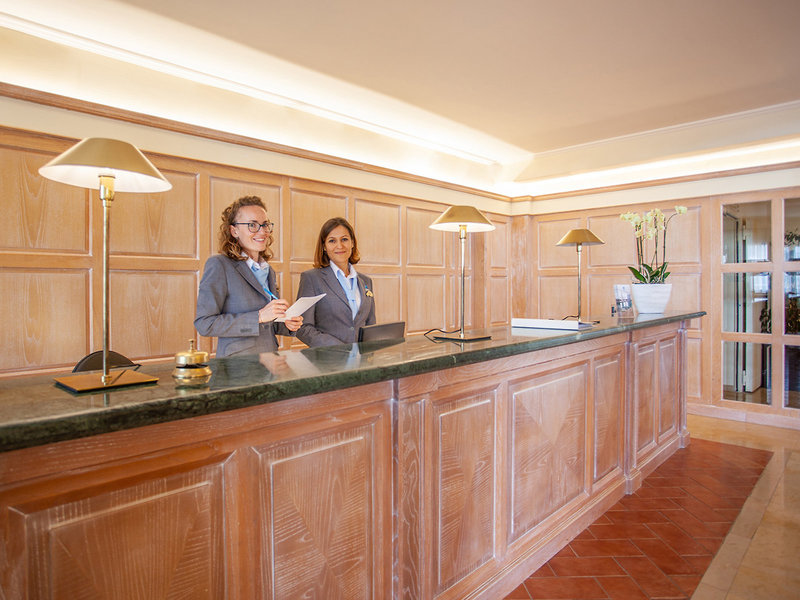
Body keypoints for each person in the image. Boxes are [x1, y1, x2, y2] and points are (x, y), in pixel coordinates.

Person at [195, 195, 302, 357]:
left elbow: (267, 324)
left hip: (271, 362)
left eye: (265, 225)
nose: (262, 231)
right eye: (252, 225)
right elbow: (205, 324)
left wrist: (286, 323)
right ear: (234, 231)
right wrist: (259, 316)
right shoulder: (219, 265)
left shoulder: (268, 270)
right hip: (237, 365)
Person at [296, 217, 376, 347]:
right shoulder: (311, 278)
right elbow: (303, 328)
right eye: (332, 241)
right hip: (329, 357)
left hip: (361, 358)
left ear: (352, 243)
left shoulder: (366, 281)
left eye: (344, 239)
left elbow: (370, 325)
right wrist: (339, 348)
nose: (340, 246)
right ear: (324, 247)